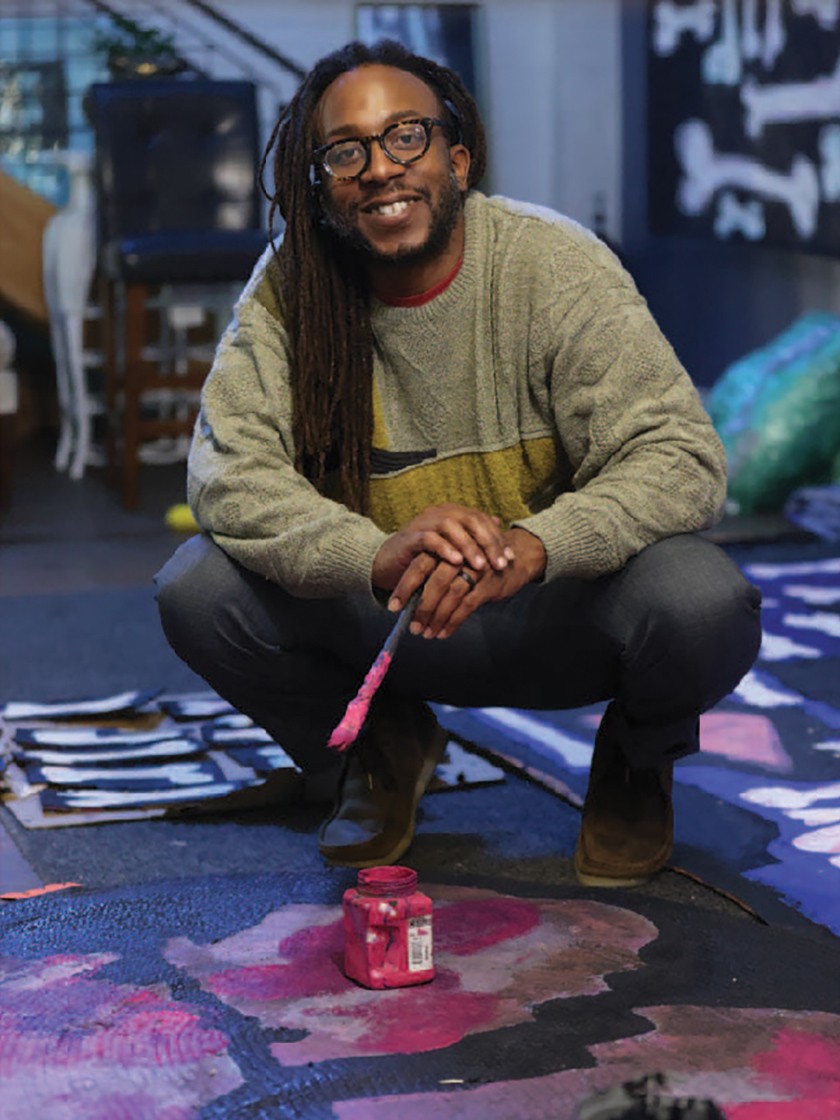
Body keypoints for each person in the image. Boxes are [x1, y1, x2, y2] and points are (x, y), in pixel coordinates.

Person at [155, 39, 762, 886]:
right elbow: (227, 476)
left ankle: (635, 761)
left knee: (701, 598)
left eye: (407, 136)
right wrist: (374, 552)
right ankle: (382, 744)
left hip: (555, 611)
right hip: (387, 622)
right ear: (321, 184)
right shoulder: (291, 287)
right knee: (197, 589)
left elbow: (681, 458)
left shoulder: (553, 266)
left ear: (459, 157)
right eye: (347, 150)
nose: (379, 167)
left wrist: (534, 544)